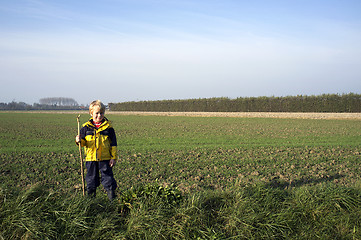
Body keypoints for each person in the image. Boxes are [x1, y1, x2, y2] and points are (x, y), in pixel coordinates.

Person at [75, 100, 118, 200]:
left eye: (101, 113)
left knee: (108, 180)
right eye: (97, 113)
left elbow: (114, 144)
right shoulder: (85, 128)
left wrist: (113, 158)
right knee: (91, 181)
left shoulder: (109, 128)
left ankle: (112, 202)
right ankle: (91, 202)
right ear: (91, 113)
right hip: (91, 159)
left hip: (105, 159)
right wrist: (78, 141)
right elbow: (84, 143)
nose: (99, 115)